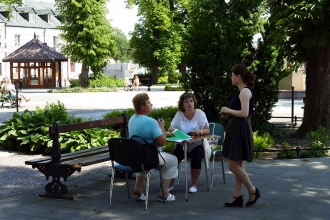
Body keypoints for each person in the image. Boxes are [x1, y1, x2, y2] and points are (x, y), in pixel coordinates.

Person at [219, 63, 260, 207]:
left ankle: (252, 190)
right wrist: (228, 114)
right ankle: (237, 196)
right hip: (237, 127)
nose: (230, 77)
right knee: (239, 164)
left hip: (240, 129)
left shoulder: (244, 92)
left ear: (238, 76)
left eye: (232, 75)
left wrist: (229, 110)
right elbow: (240, 112)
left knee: (232, 165)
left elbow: (244, 113)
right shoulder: (242, 91)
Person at [128, 93, 178, 201]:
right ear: (142, 107)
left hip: (137, 156)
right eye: (149, 103)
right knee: (173, 160)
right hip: (149, 157)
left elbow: (146, 134)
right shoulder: (150, 121)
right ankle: (164, 193)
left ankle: (138, 189)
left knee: (144, 163)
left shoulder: (132, 118)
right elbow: (162, 142)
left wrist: (162, 131)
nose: (151, 104)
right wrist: (161, 126)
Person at [167, 92, 210, 193]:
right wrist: (175, 130)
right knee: (173, 159)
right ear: (182, 105)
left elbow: (207, 130)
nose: (189, 103)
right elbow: (170, 128)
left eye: (191, 101)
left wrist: (199, 131)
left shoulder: (200, 114)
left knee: (196, 157)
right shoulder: (179, 114)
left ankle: (194, 184)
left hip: (197, 144)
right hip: (183, 144)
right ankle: (170, 184)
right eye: (186, 102)